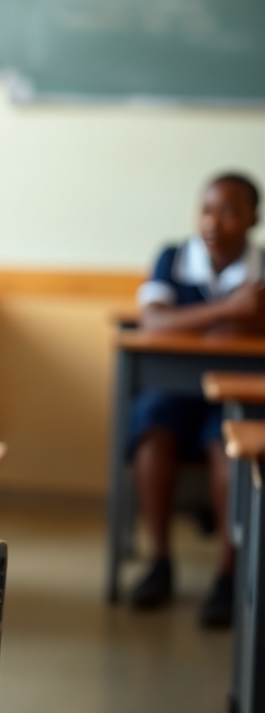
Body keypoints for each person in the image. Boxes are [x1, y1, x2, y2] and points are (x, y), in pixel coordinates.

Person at [130, 172, 264, 626]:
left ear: (252, 219)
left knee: (229, 450)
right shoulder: (173, 258)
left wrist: (187, 320)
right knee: (152, 434)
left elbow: (174, 320)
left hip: (234, 394)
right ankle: (160, 561)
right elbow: (151, 322)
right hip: (172, 394)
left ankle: (227, 576)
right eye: (207, 209)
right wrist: (228, 313)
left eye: (229, 211)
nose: (214, 221)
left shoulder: (260, 269)